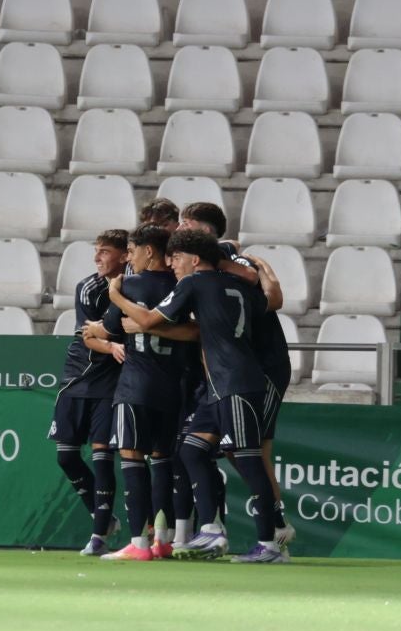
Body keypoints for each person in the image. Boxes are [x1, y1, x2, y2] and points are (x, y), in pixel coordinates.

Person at [111, 230, 291, 564]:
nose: (171, 264)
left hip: (236, 382)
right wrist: (267, 274)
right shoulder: (236, 286)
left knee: (250, 461)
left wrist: (117, 296)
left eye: (176, 258)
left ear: (195, 259)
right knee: (191, 449)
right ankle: (211, 528)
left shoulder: (193, 284)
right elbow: (272, 302)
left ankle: (270, 544)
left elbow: (149, 318)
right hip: (220, 384)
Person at [171, 203, 292, 560]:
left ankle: (275, 533)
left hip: (260, 369)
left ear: (202, 233)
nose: (179, 230)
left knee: (252, 451)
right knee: (196, 449)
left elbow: (267, 291)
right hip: (222, 377)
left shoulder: (227, 261)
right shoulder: (206, 271)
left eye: (185, 225)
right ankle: (211, 531)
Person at [84, 226, 188, 562]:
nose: (129, 257)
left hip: (135, 385)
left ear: (149, 251)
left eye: (132, 250)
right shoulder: (180, 286)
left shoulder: (129, 285)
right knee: (162, 461)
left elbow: (110, 327)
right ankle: (164, 540)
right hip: (173, 386)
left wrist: (94, 328)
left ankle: (138, 543)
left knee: (131, 457)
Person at [51, 231, 128, 556]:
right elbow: (88, 335)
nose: (97, 257)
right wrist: (110, 344)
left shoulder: (133, 288)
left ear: (125, 256)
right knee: (66, 456)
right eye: (96, 251)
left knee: (102, 458)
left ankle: (98, 536)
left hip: (110, 383)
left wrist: (112, 341)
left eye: (105, 252)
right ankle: (104, 518)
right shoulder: (88, 286)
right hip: (77, 375)